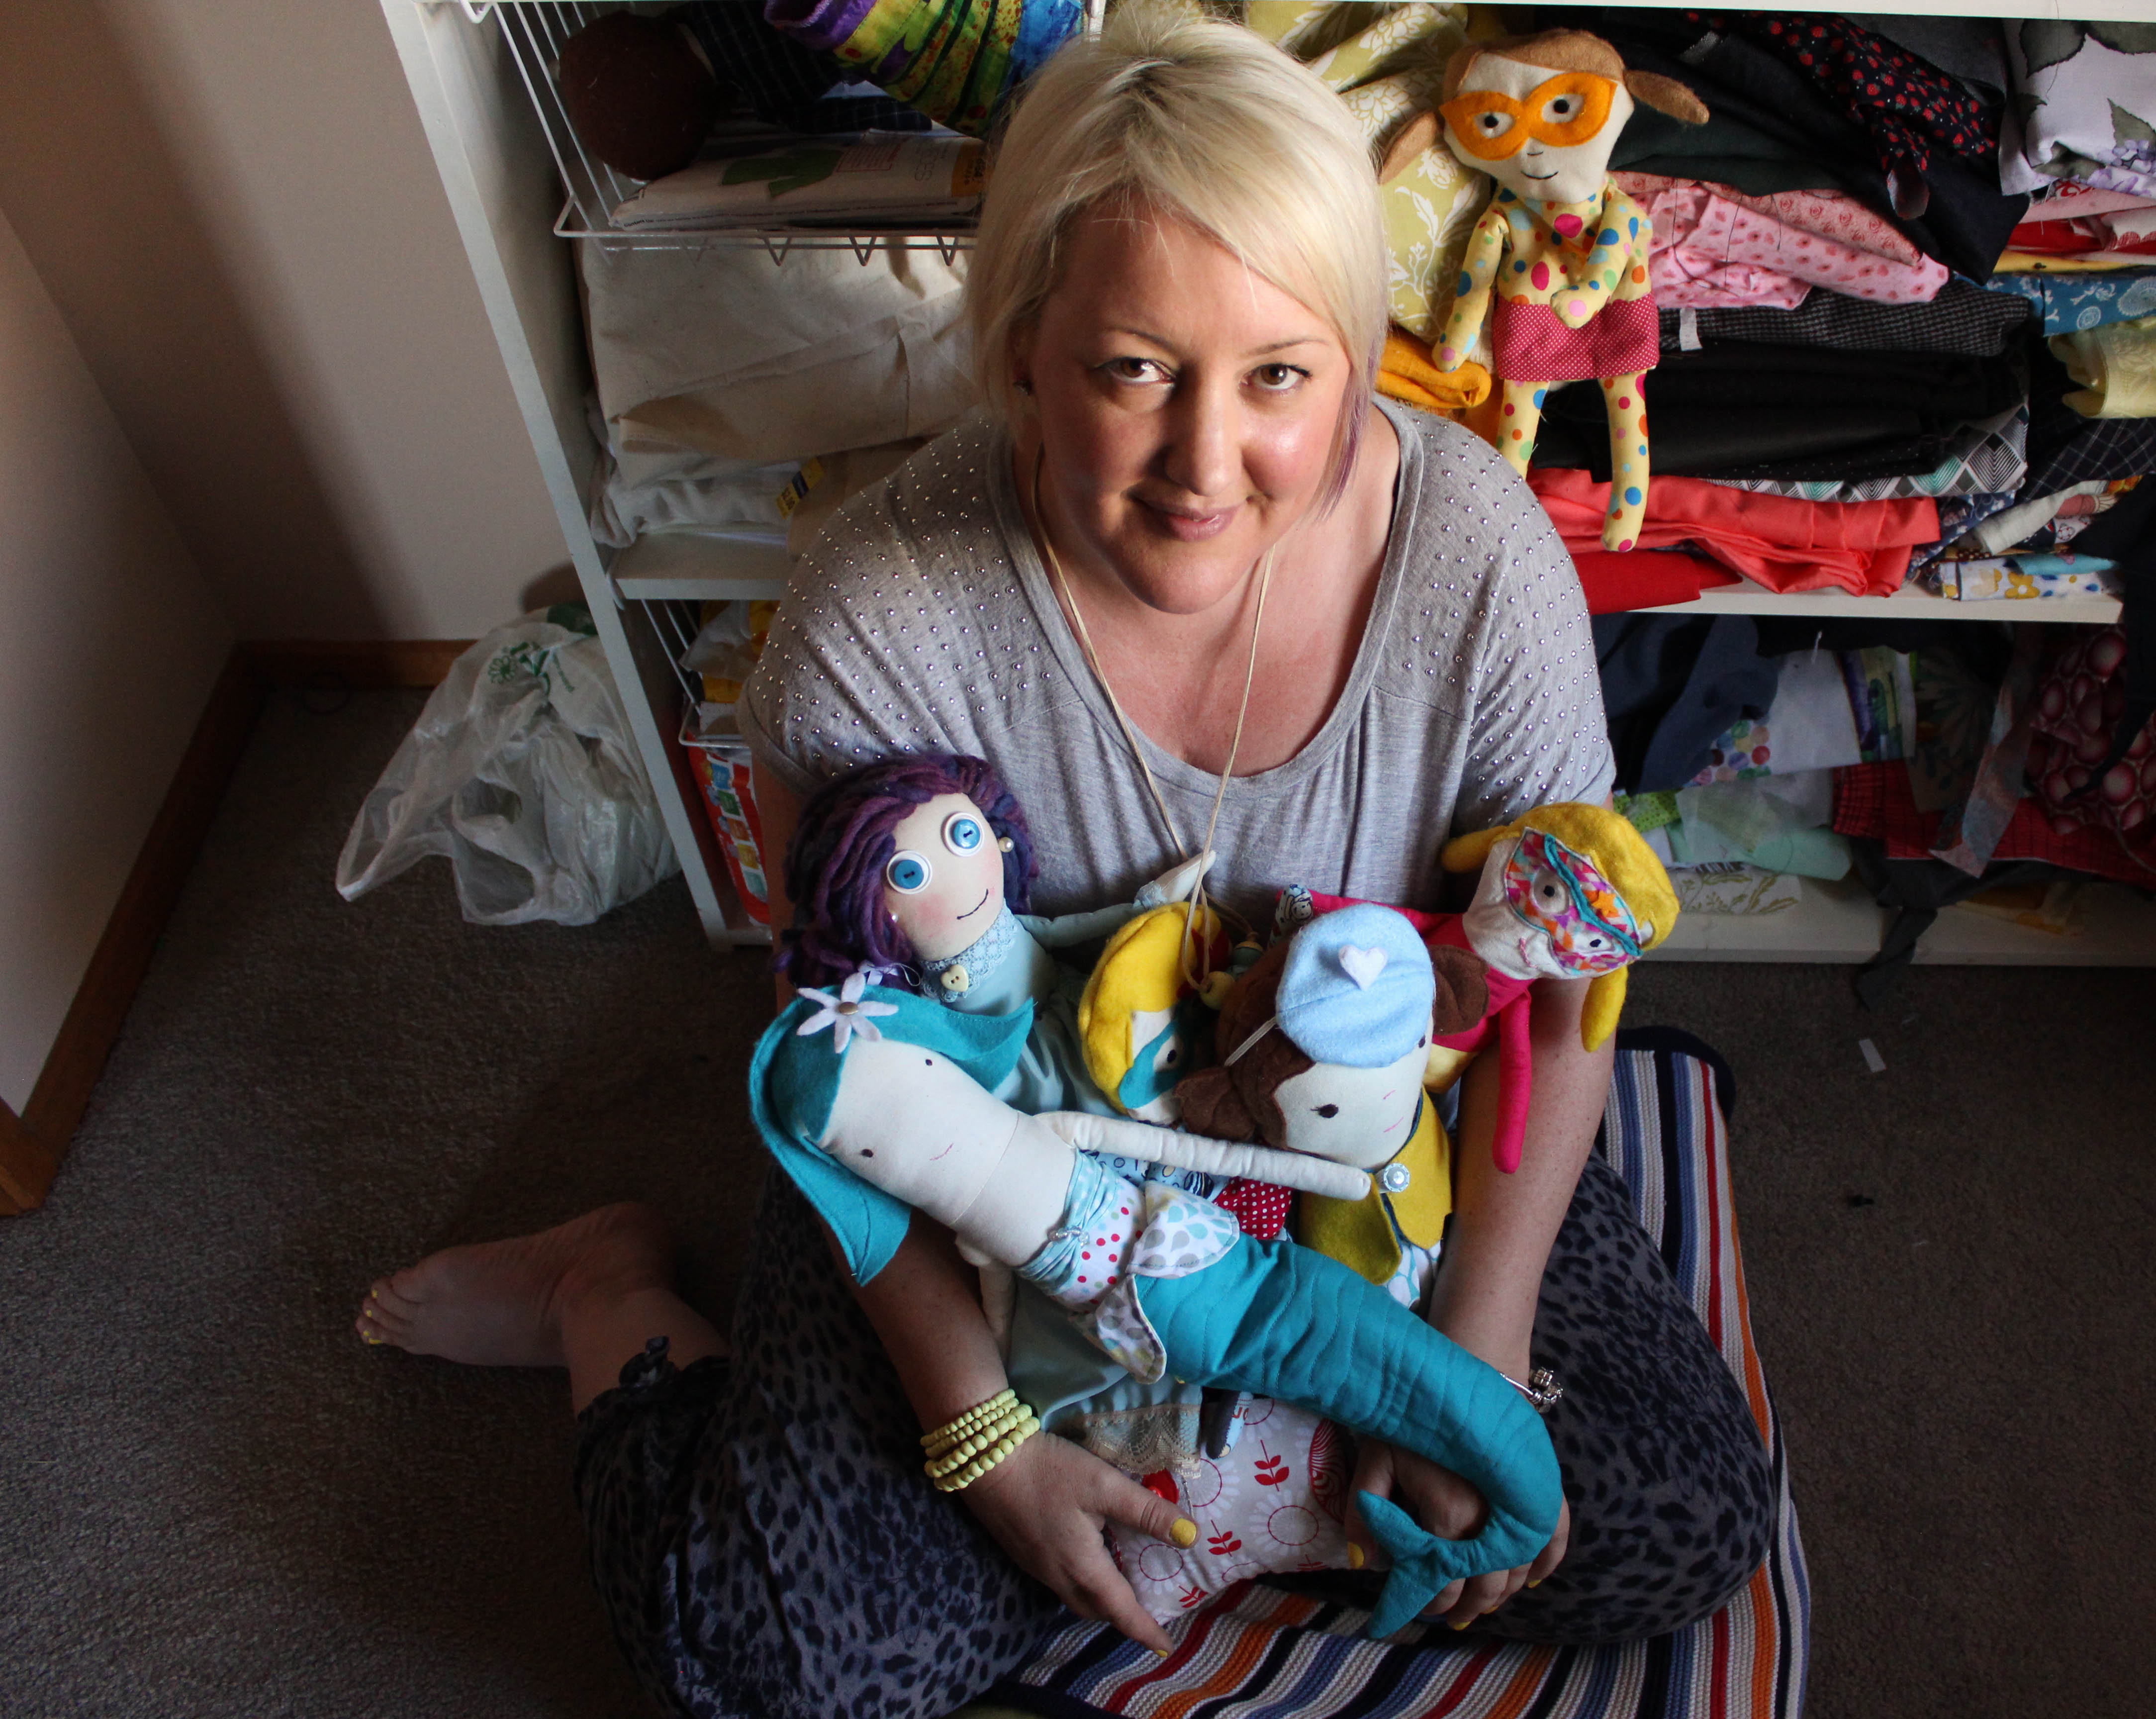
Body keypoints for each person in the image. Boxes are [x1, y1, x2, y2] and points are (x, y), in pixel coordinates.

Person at [356, 11, 1774, 1716]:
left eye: (1277, 376)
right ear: (1019, 347)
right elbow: (848, 1072)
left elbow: (1557, 996)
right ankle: (610, 1286)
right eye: (1132, 371)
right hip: (991, 1179)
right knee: (773, 1654)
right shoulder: (875, 619)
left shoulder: (1476, 558)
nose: (1203, 465)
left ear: (1359, 354)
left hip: (1385, 1166)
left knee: (1684, 1516)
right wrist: (979, 1437)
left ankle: (1242, 1506)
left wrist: (1464, 1350)